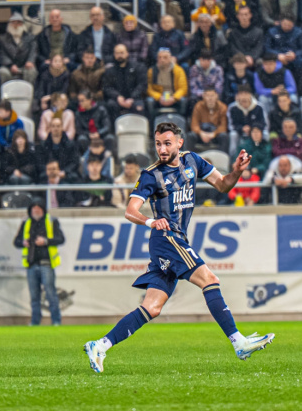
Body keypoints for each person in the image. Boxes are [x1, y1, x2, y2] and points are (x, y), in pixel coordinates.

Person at [83, 122, 275, 374]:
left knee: (152, 307)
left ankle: (100, 345)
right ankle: (239, 342)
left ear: (179, 143)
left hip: (173, 241)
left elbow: (223, 185)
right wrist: (151, 221)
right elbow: (130, 211)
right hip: (167, 238)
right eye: (158, 144)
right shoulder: (151, 174)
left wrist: (237, 171)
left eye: (167, 143)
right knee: (209, 279)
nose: (162, 149)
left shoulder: (193, 161)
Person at [13, 199, 64, 327]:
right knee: (34, 296)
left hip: (46, 263)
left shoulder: (51, 221)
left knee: (50, 293)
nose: (36, 211)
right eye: (33, 209)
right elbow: (16, 241)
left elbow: (60, 238)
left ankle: (56, 320)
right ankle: (35, 321)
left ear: (43, 209)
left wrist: (45, 241)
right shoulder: (26, 223)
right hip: (31, 264)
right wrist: (23, 242)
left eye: (38, 208)